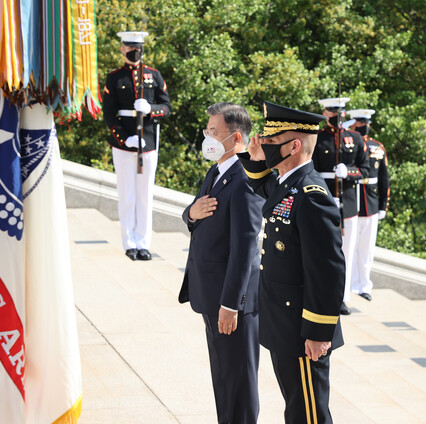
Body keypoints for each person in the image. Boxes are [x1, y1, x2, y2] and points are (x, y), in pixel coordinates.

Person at [238, 100, 345, 424]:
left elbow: (328, 271)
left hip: (303, 332)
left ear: (294, 145)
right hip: (284, 324)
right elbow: (263, 186)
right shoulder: (289, 184)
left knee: (307, 413)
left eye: (270, 142)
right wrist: (256, 158)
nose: (264, 145)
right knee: (295, 406)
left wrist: (318, 332)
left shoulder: (311, 195)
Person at [179, 102, 264, 423]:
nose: (208, 138)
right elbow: (199, 210)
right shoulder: (218, 170)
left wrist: (232, 304)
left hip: (232, 303)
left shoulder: (244, 181)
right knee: (224, 379)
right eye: (207, 131)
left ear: (236, 137)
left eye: (215, 132)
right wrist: (189, 213)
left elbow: (246, 248)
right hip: (211, 294)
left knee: (238, 383)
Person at [102, 31, 171, 261]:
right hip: (124, 144)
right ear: (122, 48)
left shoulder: (154, 75)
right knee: (127, 195)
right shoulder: (114, 78)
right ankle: (129, 242)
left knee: (145, 195)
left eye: (138, 46)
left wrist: (151, 109)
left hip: (149, 142)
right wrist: (124, 138)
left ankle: (143, 243)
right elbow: (109, 115)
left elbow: (167, 106)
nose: (134, 50)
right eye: (130, 46)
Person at [312, 98, 369, 315]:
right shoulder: (318, 137)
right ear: (325, 112)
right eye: (332, 111)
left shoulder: (354, 139)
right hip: (324, 200)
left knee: (346, 252)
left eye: (339, 111)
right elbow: (311, 169)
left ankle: (341, 298)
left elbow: (365, 169)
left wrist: (350, 172)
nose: (336, 115)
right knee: (320, 250)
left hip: (348, 204)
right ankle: (320, 295)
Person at [347, 109, 390, 301]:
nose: (364, 125)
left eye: (366, 122)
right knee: (348, 248)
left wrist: (383, 205)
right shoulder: (351, 143)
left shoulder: (377, 147)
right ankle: (346, 285)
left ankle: (363, 285)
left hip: (370, 202)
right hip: (352, 200)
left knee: (366, 248)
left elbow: (384, 178)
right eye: (360, 121)